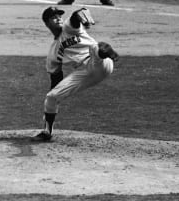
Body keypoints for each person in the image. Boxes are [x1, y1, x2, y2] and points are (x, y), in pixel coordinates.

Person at [33, 7, 119, 141]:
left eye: (59, 16)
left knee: (96, 48)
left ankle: (105, 51)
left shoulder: (68, 29)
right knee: (51, 96)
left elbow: (74, 18)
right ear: (47, 23)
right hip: (84, 73)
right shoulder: (52, 53)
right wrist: (57, 96)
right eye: (53, 17)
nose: (58, 18)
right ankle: (47, 131)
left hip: (100, 62)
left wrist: (79, 13)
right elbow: (55, 79)